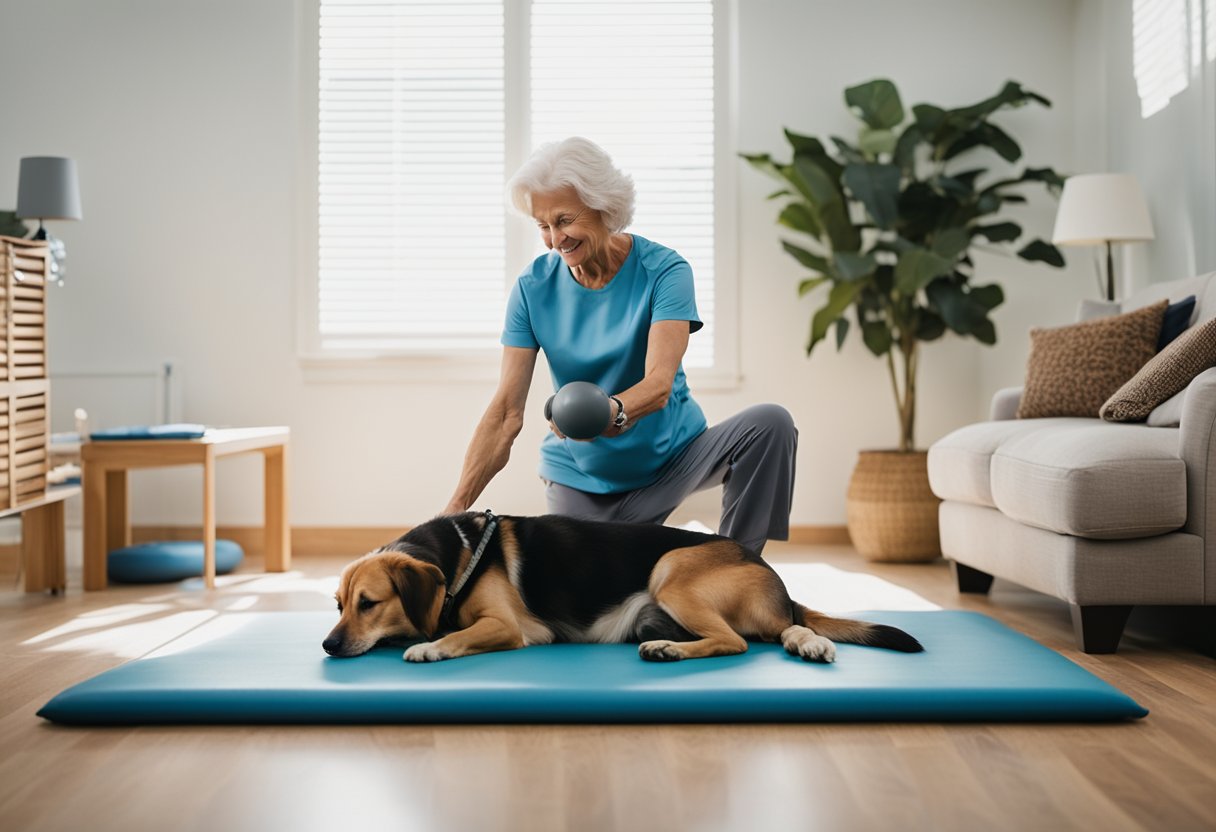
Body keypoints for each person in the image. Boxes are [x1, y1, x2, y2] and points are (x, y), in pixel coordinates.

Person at [442, 137, 797, 553]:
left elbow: (659, 384)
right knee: (589, 606)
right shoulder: (532, 289)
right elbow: (505, 413)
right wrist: (457, 505)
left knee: (770, 423)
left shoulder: (664, 270)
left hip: (675, 458)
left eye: (564, 219)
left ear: (603, 206)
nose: (555, 239)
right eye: (543, 225)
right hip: (583, 477)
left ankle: (738, 568)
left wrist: (611, 413)